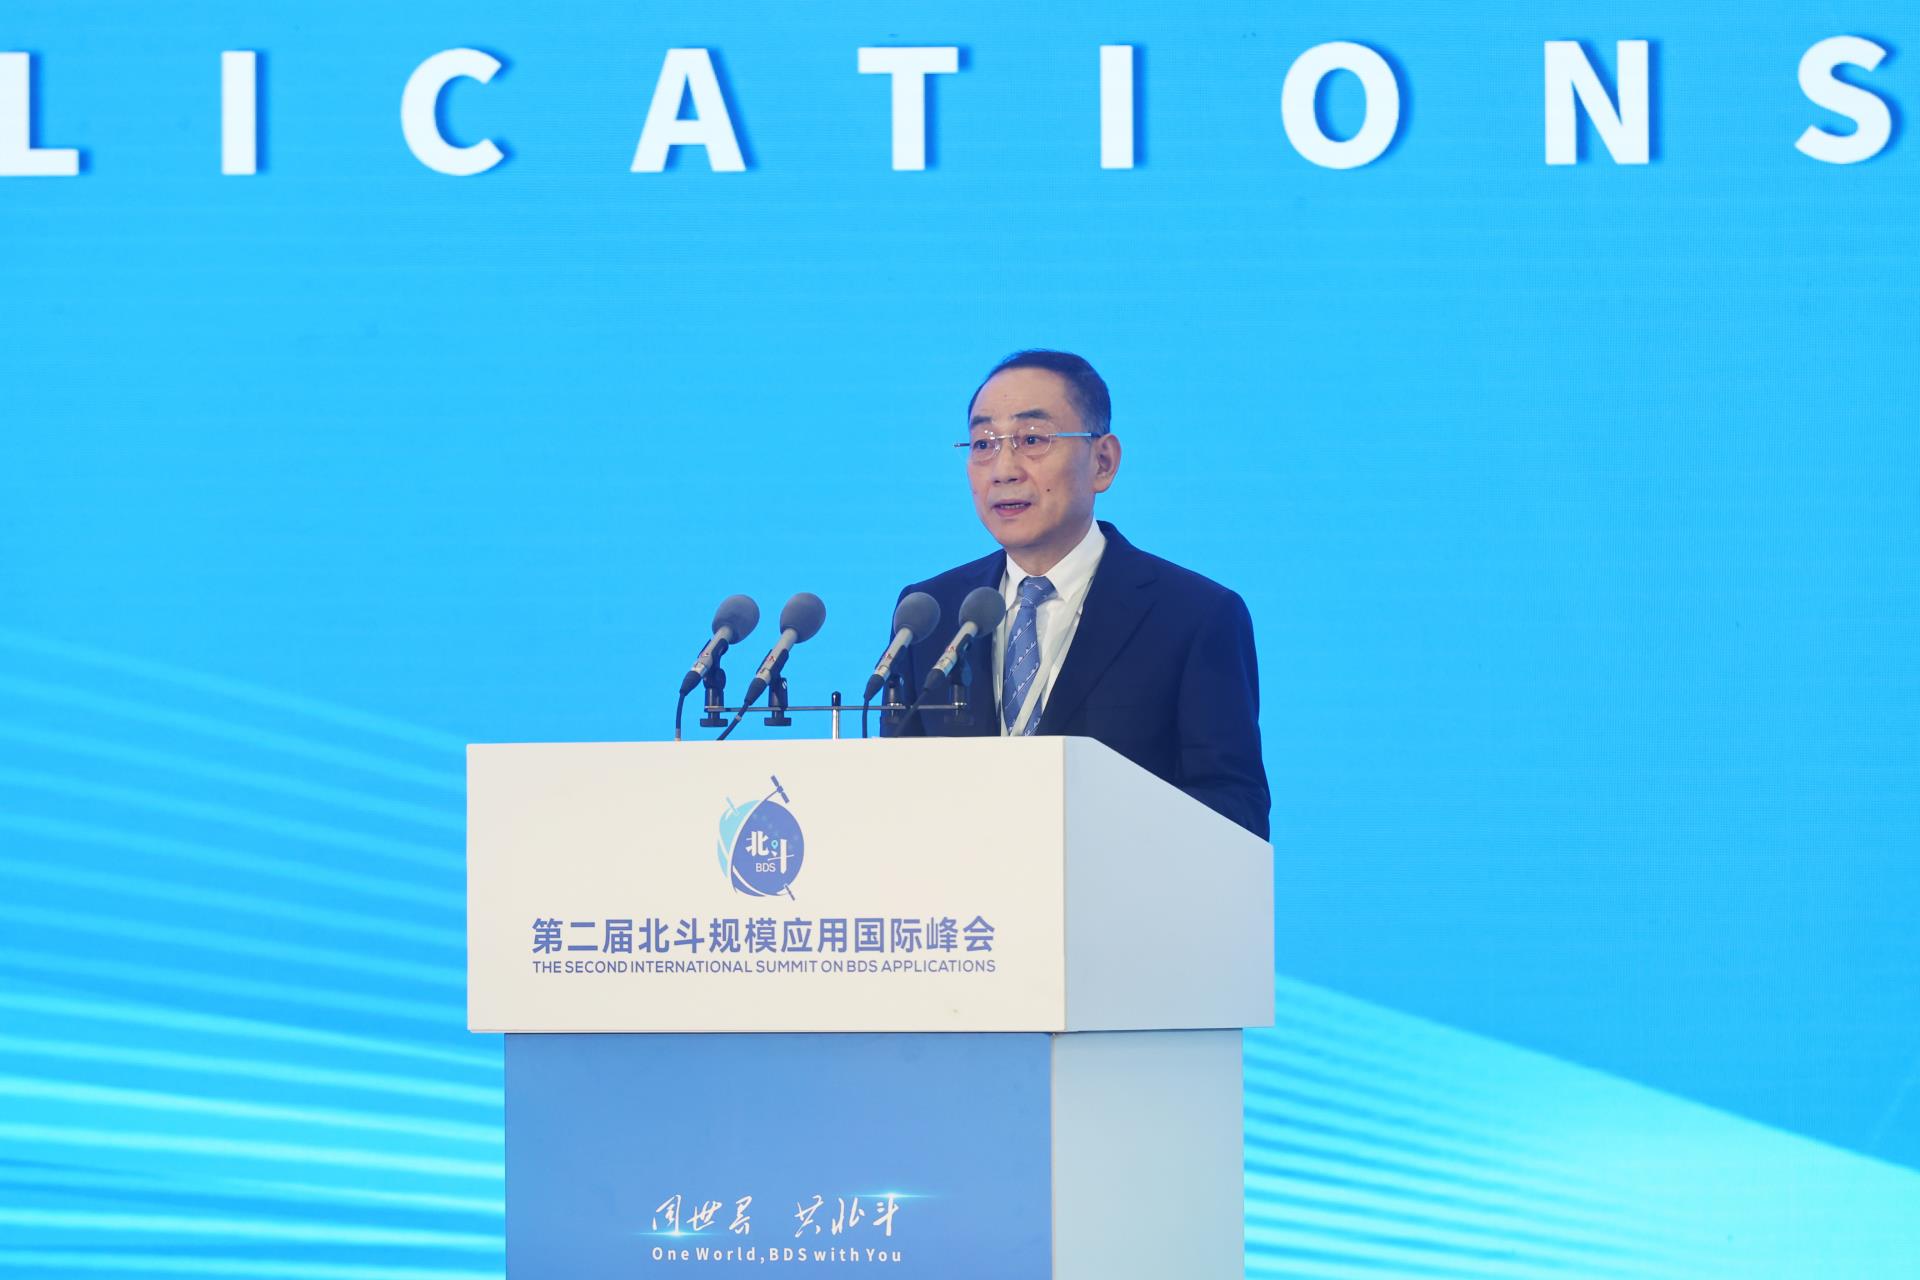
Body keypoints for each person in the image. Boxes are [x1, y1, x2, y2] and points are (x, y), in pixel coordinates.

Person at [882, 349, 1271, 840]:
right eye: (983, 444)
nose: (1003, 468)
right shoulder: (929, 613)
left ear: (1102, 462)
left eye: (1031, 439)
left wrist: (1089, 826)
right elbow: (890, 791)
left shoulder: (1194, 616)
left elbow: (1237, 812)